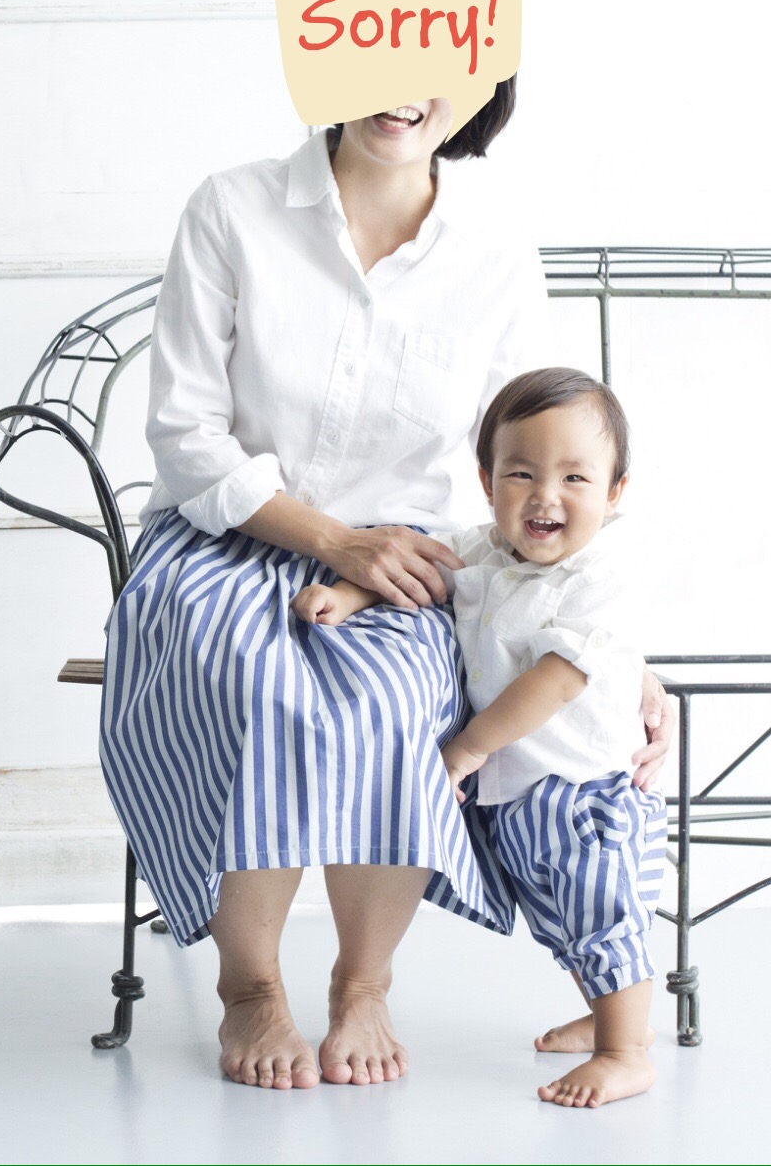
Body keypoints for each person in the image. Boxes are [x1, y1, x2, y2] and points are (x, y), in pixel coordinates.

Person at [99, 88, 673, 1091]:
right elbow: (186, 436)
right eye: (377, 54)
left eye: (431, 62)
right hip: (227, 532)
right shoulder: (232, 208)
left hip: (411, 552)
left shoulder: (493, 249)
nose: (400, 88)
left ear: (477, 81)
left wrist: (616, 659)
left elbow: (538, 471)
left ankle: (362, 981)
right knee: (253, 683)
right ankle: (250, 985)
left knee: (401, 701)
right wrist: (332, 541)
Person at [294, 367, 663, 1108]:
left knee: (601, 914)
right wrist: (347, 595)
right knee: (559, 919)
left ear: (615, 491)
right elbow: (416, 570)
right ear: (487, 481)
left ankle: (626, 1049)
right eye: (521, 473)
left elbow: (555, 680)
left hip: (584, 791)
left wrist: (467, 747)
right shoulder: (483, 550)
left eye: (575, 478)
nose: (545, 496)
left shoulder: (598, 579)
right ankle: (605, 1017)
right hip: (521, 793)